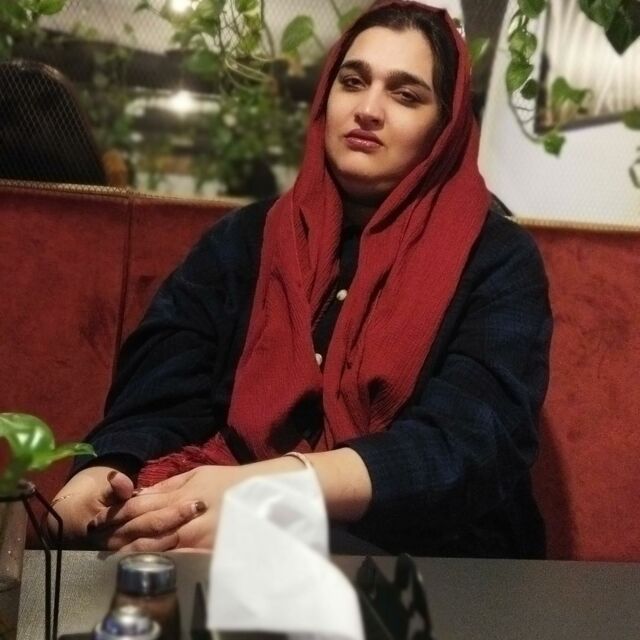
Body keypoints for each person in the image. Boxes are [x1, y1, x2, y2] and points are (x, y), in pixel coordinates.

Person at [51, 0, 552, 558]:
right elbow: (162, 395)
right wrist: (103, 477)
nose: (368, 109)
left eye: (406, 95)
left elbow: (471, 445)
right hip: (217, 528)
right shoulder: (244, 239)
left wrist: (271, 496)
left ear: (445, 127)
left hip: (432, 558)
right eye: (352, 82)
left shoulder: (497, 259)